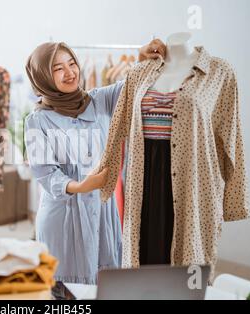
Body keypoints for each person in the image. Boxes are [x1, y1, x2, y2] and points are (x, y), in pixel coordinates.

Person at [24, 40, 165, 284]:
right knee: (66, 291)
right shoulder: (37, 121)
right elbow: (46, 173)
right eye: (58, 68)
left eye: (72, 64)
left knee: (104, 283)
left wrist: (141, 60)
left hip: (102, 212)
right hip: (63, 217)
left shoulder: (100, 101)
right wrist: (81, 186)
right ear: (43, 76)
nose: (70, 73)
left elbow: (132, 87)